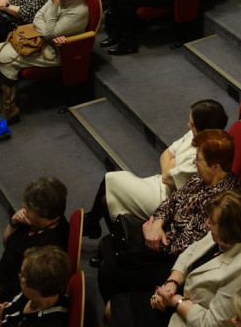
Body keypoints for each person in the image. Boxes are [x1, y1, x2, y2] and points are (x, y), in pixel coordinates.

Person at [95, 129, 241, 303]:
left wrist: (154, 238)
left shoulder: (221, 203)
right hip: (162, 236)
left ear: (215, 166)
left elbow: (187, 247)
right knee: (107, 244)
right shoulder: (203, 178)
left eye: (199, 159)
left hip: (172, 262)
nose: (194, 162)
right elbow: (172, 201)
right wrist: (157, 223)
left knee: (109, 268)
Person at [108, 192, 241, 327]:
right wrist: (172, 283)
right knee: (117, 271)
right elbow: (193, 250)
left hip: (190, 316)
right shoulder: (233, 234)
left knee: (114, 308)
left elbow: (212, 323)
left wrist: (175, 301)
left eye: (212, 222)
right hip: (184, 287)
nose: (207, 224)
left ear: (229, 230)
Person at [82, 100, 228, 241]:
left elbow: (167, 178)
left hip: (165, 197)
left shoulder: (205, 155)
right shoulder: (194, 134)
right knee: (107, 199)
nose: (188, 124)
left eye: (192, 123)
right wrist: (171, 164)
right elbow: (166, 154)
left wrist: (171, 163)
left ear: (203, 129)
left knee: (112, 179)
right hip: (158, 182)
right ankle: (105, 233)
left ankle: (93, 224)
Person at [0, 0, 90, 123]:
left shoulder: (78, 12)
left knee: (5, 57)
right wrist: (49, 32)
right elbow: (37, 17)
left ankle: (9, 108)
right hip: (43, 41)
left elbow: (49, 30)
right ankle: (9, 102)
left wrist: (53, 9)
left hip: (58, 51)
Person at [0, 177, 70, 308]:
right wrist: (13, 223)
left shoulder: (46, 248)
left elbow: (17, 288)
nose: (24, 207)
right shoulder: (35, 220)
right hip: (1, 273)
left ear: (43, 214)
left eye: (29, 206)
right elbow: (7, 244)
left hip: (6, 294)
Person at [0, 246, 71, 327]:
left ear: (36, 288)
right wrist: (0, 315)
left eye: (22, 276)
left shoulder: (50, 322)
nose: (19, 276)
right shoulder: (30, 296)